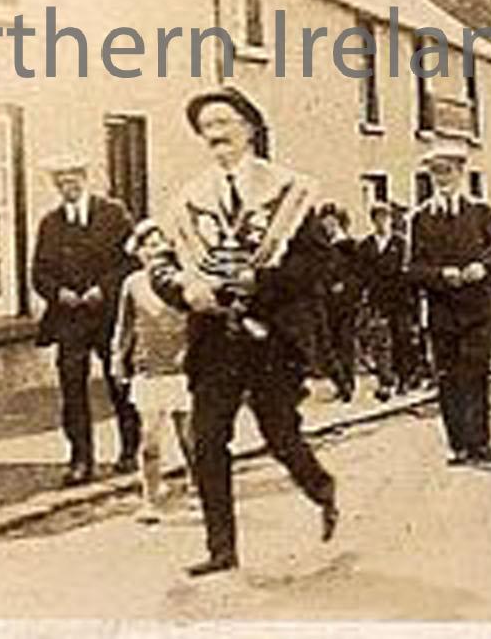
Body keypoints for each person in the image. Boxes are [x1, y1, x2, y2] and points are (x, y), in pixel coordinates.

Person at [148, 87, 340, 577]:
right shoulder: (189, 199)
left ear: (250, 129)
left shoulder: (288, 192)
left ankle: (319, 486)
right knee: (207, 440)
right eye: (206, 126)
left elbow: (319, 263)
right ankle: (221, 549)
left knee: (279, 434)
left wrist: (264, 281)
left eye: (223, 122)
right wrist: (184, 289)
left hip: (271, 336)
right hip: (214, 339)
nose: (215, 133)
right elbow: (160, 265)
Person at [30, 153, 140, 486]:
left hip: (108, 316)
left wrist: (103, 289)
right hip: (70, 319)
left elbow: (131, 262)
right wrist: (58, 292)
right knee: (72, 389)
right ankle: (81, 460)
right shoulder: (50, 224)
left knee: (119, 382)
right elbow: (39, 272)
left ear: (85, 178)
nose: (69, 187)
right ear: (55, 186)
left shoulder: (113, 214)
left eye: (74, 179)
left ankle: (130, 450)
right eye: (62, 182)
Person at [409, 141, 491, 464]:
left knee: (476, 374)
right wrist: (440, 275)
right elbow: (412, 268)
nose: (442, 179)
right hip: (442, 313)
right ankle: (459, 445)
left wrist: (483, 268)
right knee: (448, 378)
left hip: (477, 310)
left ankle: (481, 442)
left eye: (448, 172)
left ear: (461, 173)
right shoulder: (420, 219)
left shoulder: (480, 213)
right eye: (436, 173)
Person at [111, 220, 196, 523]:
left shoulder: (182, 280)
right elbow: (124, 327)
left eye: (159, 243)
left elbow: (196, 321)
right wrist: (118, 358)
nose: (153, 250)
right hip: (148, 369)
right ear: (138, 251)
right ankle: (150, 499)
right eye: (146, 245)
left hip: (181, 368)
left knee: (189, 438)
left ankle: (199, 491)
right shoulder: (132, 284)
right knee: (149, 439)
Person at [362, 203, 423, 401]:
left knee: (401, 339)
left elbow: (407, 271)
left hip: (400, 299)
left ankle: (404, 379)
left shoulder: (401, 243)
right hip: (378, 299)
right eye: (378, 219)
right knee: (381, 341)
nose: (382, 223)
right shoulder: (367, 245)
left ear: (390, 220)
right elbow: (363, 272)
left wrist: (412, 299)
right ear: (373, 221)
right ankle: (385, 381)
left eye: (385, 218)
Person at [313, 203, 363, 402]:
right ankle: (339, 383)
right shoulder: (321, 247)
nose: (329, 226)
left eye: (332, 222)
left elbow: (359, 275)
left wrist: (345, 286)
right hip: (328, 303)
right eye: (325, 223)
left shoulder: (349, 246)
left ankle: (348, 383)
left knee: (345, 342)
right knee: (331, 343)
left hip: (346, 303)